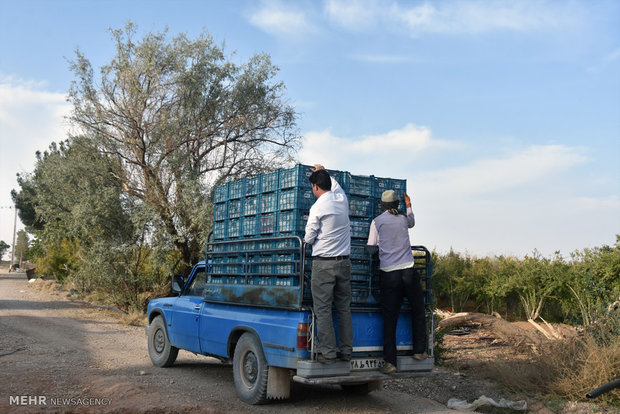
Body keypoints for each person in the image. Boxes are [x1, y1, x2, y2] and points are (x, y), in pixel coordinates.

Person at [367, 190, 427, 374]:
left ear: (382, 205)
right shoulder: (403, 219)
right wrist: (409, 206)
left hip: (389, 274)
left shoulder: (376, 221)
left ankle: (390, 362)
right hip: (408, 271)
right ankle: (419, 351)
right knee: (418, 310)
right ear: (397, 204)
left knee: (390, 318)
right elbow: (412, 222)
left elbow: (370, 248)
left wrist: (379, 252)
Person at [304, 164, 353, 363]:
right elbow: (336, 185)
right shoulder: (342, 199)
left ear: (315, 187)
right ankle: (347, 351)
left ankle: (328, 353)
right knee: (344, 308)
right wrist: (324, 171)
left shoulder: (317, 207)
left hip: (324, 265)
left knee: (323, 309)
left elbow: (308, 238)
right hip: (344, 263)